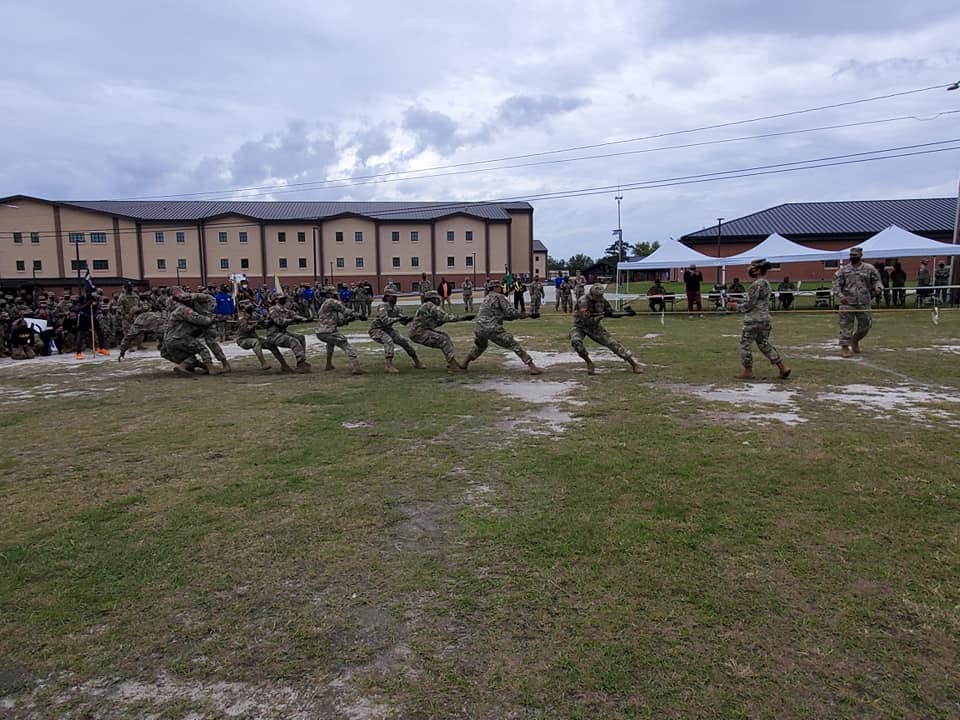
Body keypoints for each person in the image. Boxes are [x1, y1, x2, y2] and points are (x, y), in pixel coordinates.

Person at [462, 280, 544, 375]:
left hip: (479, 328)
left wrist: (522, 316)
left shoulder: (486, 298)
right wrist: (529, 314)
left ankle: (464, 363)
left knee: (480, 346)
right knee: (513, 344)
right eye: (499, 287)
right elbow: (511, 313)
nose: (501, 289)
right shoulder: (499, 297)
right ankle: (532, 367)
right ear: (495, 288)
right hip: (492, 328)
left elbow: (501, 315)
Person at [734, 259, 791, 380]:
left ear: (758, 270)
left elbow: (750, 304)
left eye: (752, 268)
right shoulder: (766, 283)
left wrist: (736, 306)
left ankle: (747, 371)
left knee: (745, 344)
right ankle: (782, 367)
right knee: (763, 344)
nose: (750, 270)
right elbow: (757, 300)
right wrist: (737, 300)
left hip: (753, 320)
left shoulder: (756, 284)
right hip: (764, 319)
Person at [570, 284, 642, 375]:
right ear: (592, 293)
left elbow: (611, 312)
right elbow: (587, 321)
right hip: (580, 326)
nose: (599, 298)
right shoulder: (583, 301)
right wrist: (601, 316)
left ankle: (633, 364)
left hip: (595, 327)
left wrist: (626, 313)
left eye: (600, 295)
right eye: (597, 296)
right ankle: (589, 362)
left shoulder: (601, 300)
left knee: (612, 344)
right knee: (576, 342)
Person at [832, 246, 882, 357]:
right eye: (851, 255)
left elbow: (877, 280)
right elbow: (836, 284)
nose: (852, 257)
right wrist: (840, 296)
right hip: (847, 302)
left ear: (860, 256)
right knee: (846, 325)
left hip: (863, 302)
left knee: (866, 325)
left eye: (855, 255)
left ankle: (855, 340)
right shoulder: (843, 270)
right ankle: (845, 347)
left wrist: (878, 287)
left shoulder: (869, 268)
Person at [408, 290, 473, 373]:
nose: (439, 300)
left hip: (419, 331)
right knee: (443, 340)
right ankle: (453, 367)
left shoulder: (426, 306)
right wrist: (463, 318)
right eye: (437, 298)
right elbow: (445, 317)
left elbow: (436, 321)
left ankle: (452, 362)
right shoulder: (430, 305)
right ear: (432, 299)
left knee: (445, 336)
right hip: (418, 333)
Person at [369, 286, 424, 373]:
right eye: (393, 297)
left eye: (395, 297)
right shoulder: (382, 306)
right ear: (387, 297)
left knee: (403, 341)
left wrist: (409, 319)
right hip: (376, 330)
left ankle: (417, 361)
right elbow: (385, 320)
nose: (395, 299)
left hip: (388, 329)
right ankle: (389, 365)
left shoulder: (397, 308)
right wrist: (398, 319)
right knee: (388, 340)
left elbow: (402, 321)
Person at [315, 285, 364, 374]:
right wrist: (359, 315)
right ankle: (356, 367)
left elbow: (337, 322)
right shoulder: (331, 301)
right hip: (328, 331)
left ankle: (328, 365)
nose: (336, 295)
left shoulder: (324, 303)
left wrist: (348, 320)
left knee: (330, 344)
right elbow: (345, 310)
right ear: (329, 294)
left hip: (321, 332)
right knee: (345, 344)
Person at [236, 302, 291, 371]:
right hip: (243, 340)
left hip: (254, 337)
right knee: (256, 342)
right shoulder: (241, 317)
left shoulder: (254, 314)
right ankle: (263, 363)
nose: (250, 307)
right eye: (248, 306)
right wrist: (256, 324)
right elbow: (246, 329)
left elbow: (263, 321)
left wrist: (265, 321)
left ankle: (284, 365)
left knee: (271, 345)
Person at [266, 293, 312, 372]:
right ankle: (301, 364)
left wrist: (305, 319)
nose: (283, 300)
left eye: (284, 298)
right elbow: (279, 322)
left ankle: (301, 361)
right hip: (273, 335)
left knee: (301, 337)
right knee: (293, 341)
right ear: (276, 300)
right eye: (281, 299)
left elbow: (294, 315)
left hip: (283, 332)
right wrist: (292, 320)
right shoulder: (273, 310)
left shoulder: (285, 310)